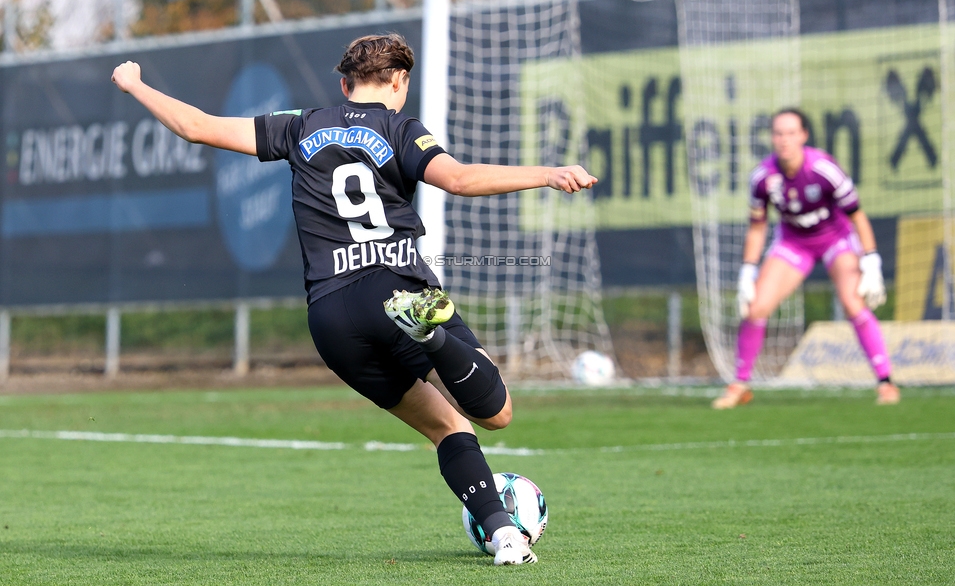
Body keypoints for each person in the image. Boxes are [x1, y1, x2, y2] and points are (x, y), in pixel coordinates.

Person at [111, 33, 597, 565]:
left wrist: (136, 85)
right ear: (400, 82)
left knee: (447, 427)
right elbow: (457, 179)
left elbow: (196, 127)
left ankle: (505, 537)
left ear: (344, 85)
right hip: (394, 288)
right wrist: (547, 174)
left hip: (331, 317)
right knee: (496, 413)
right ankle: (430, 334)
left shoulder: (301, 124)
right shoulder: (401, 128)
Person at [712, 108, 899, 409]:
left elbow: (858, 216)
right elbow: (757, 228)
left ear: (803, 135)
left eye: (790, 133)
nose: (784, 140)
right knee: (756, 307)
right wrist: (747, 271)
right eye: (778, 133)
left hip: (836, 239)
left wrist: (871, 259)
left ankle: (885, 382)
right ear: (772, 138)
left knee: (853, 303)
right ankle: (739, 385)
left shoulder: (824, 169)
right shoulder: (763, 178)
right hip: (794, 243)